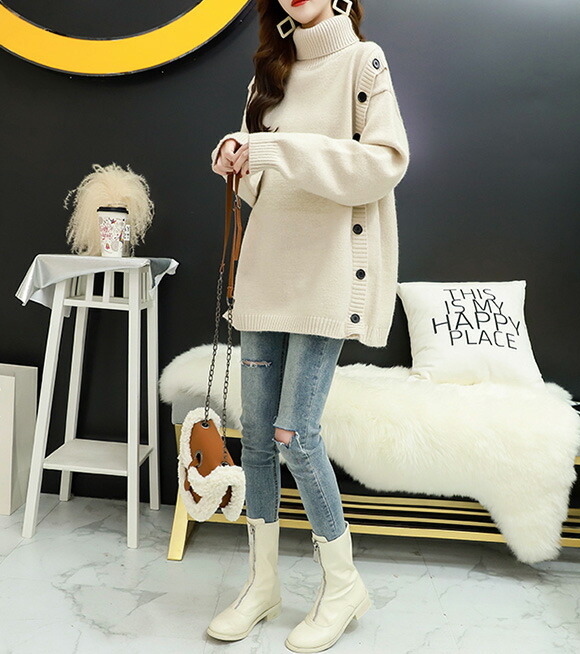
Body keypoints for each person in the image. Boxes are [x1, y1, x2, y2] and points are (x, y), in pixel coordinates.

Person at [208, 0, 409, 651]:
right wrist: (239, 161)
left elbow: (383, 164)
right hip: (266, 273)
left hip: (327, 276)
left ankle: (343, 585)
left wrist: (272, 148)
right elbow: (265, 191)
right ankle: (262, 584)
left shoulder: (362, 63)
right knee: (256, 439)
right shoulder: (268, 73)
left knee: (295, 434)